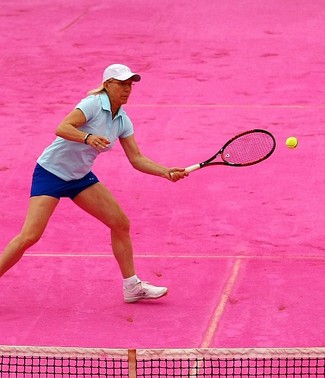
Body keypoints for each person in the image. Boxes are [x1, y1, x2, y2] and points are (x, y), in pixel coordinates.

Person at [0, 64, 188, 303]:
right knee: (30, 236)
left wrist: (165, 171)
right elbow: (62, 127)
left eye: (130, 85)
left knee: (120, 223)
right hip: (51, 173)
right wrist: (87, 137)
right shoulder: (92, 104)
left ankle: (131, 286)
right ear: (107, 85)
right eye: (121, 84)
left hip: (79, 177)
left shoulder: (122, 120)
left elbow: (137, 158)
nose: (127, 89)